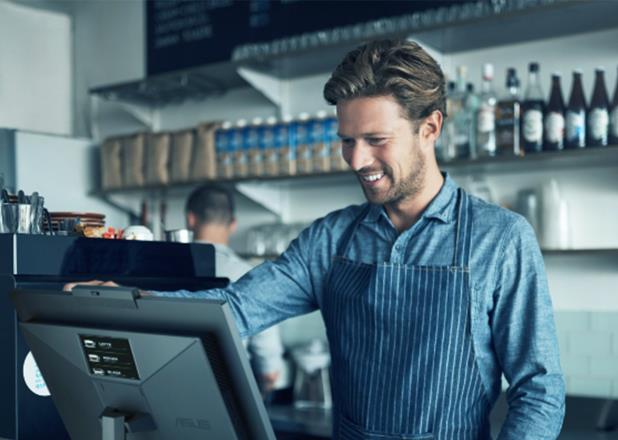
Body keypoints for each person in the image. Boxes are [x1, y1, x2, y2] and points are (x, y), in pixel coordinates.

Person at [67, 40, 565, 438]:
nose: (356, 160)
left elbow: (538, 390)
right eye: (347, 140)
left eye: (376, 140)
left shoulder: (500, 240)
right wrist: (132, 306)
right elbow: (231, 310)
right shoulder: (333, 239)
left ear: (429, 128)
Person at [185, 183, 285, 394]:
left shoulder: (163, 267)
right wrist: (268, 381)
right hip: (228, 388)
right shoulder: (248, 273)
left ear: (191, 219)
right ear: (233, 224)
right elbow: (269, 368)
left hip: (170, 384)